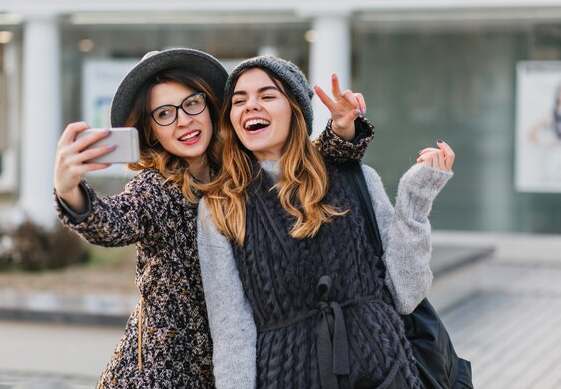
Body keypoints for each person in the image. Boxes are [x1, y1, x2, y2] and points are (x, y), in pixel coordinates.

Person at [53, 48, 375, 389]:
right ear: (151, 132)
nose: (183, 121)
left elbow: (302, 162)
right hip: (162, 375)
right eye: (164, 114)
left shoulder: (242, 168)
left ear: (209, 106)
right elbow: (111, 223)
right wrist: (68, 188)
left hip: (242, 362)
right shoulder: (155, 188)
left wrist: (343, 129)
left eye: (191, 104)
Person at [198, 56, 455, 389]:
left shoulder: (356, 178)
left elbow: (406, 294)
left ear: (295, 109)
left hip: (384, 372)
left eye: (267, 95)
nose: (251, 106)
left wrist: (415, 200)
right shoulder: (220, 206)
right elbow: (232, 330)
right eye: (239, 101)